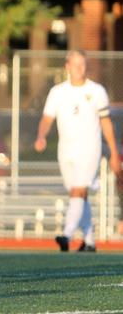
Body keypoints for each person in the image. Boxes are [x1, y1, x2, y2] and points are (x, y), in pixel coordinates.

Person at [34, 50, 122, 252]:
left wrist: (114, 153)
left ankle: (66, 235)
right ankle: (89, 241)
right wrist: (41, 136)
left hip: (90, 149)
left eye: (82, 64)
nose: (79, 68)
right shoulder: (57, 92)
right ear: (67, 66)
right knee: (78, 196)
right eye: (75, 64)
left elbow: (106, 123)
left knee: (78, 190)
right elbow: (47, 119)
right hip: (66, 150)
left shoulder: (97, 91)